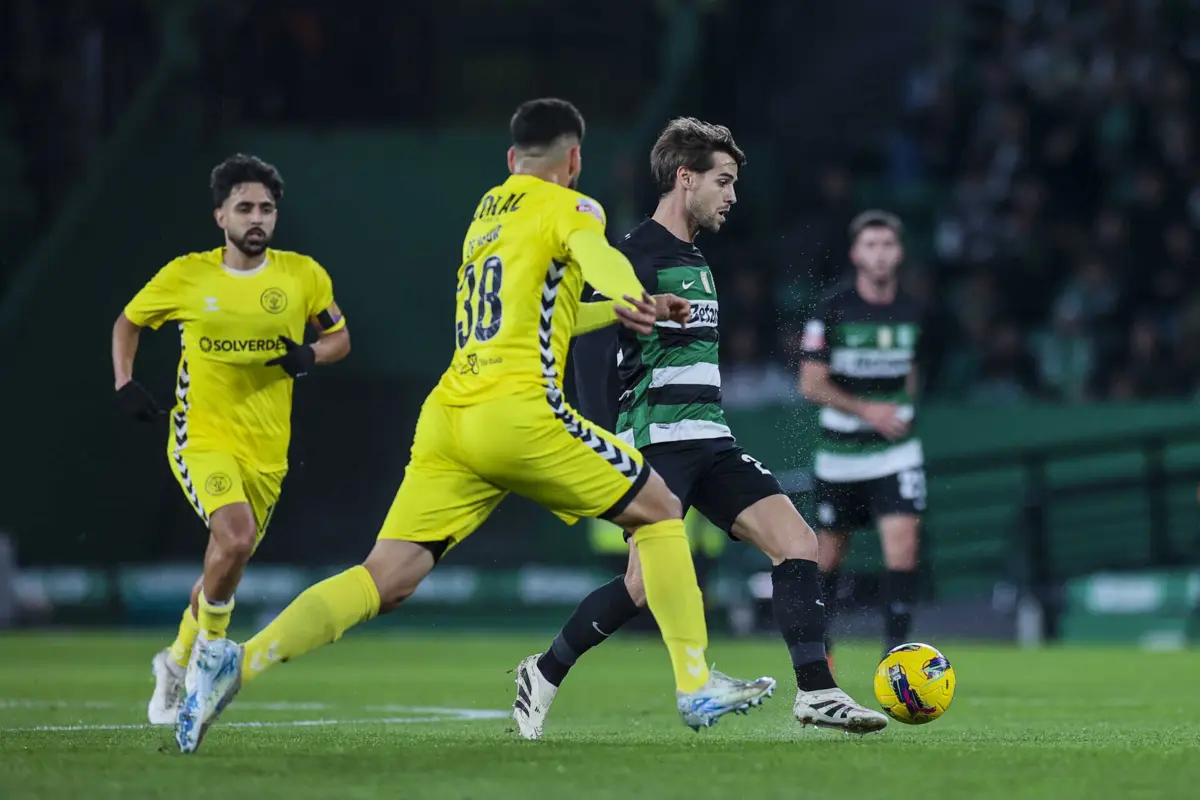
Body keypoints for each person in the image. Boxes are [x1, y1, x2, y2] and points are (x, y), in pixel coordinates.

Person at [172, 98, 777, 754]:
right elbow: (597, 258)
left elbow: (553, 317)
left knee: (386, 576)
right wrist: (629, 289)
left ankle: (239, 659)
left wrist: (631, 310)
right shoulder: (573, 207)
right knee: (660, 510)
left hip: (449, 417)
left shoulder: (488, 216)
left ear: (511, 160)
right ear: (573, 159)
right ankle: (695, 684)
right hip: (518, 411)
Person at [510, 118, 888, 741]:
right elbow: (585, 350)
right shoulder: (632, 256)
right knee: (637, 586)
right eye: (723, 180)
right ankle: (543, 672)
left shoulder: (694, 259)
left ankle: (817, 694)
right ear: (685, 179)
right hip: (655, 447)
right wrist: (605, 445)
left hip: (710, 441)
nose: (731, 195)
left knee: (798, 542)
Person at [111, 154, 351, 726]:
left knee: (224, 561)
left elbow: (340, 338)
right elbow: (129, 321)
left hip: (268, 451)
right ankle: (211, 657)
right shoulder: (188, 275)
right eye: (245, 207)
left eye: (266, 208)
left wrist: (308, 355)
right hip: (202, 436)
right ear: (220, 215)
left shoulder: (302, 275)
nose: (257, 217)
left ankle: (173, 662)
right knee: (235, 536)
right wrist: (125, 381)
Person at [799, 210, 926, 661]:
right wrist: (869, 409)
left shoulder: (914, 310)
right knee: (830, 553)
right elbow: (811, 384)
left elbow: (913, 369)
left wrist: (901, 410)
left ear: (900, 253)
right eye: (871, 245)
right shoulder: (832, 309)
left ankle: (898, 656)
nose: (880, 253)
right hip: (840, 455)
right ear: (855, 253)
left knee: (904, 546)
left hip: (896, 452)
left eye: (887, 245)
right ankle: (821, 647)